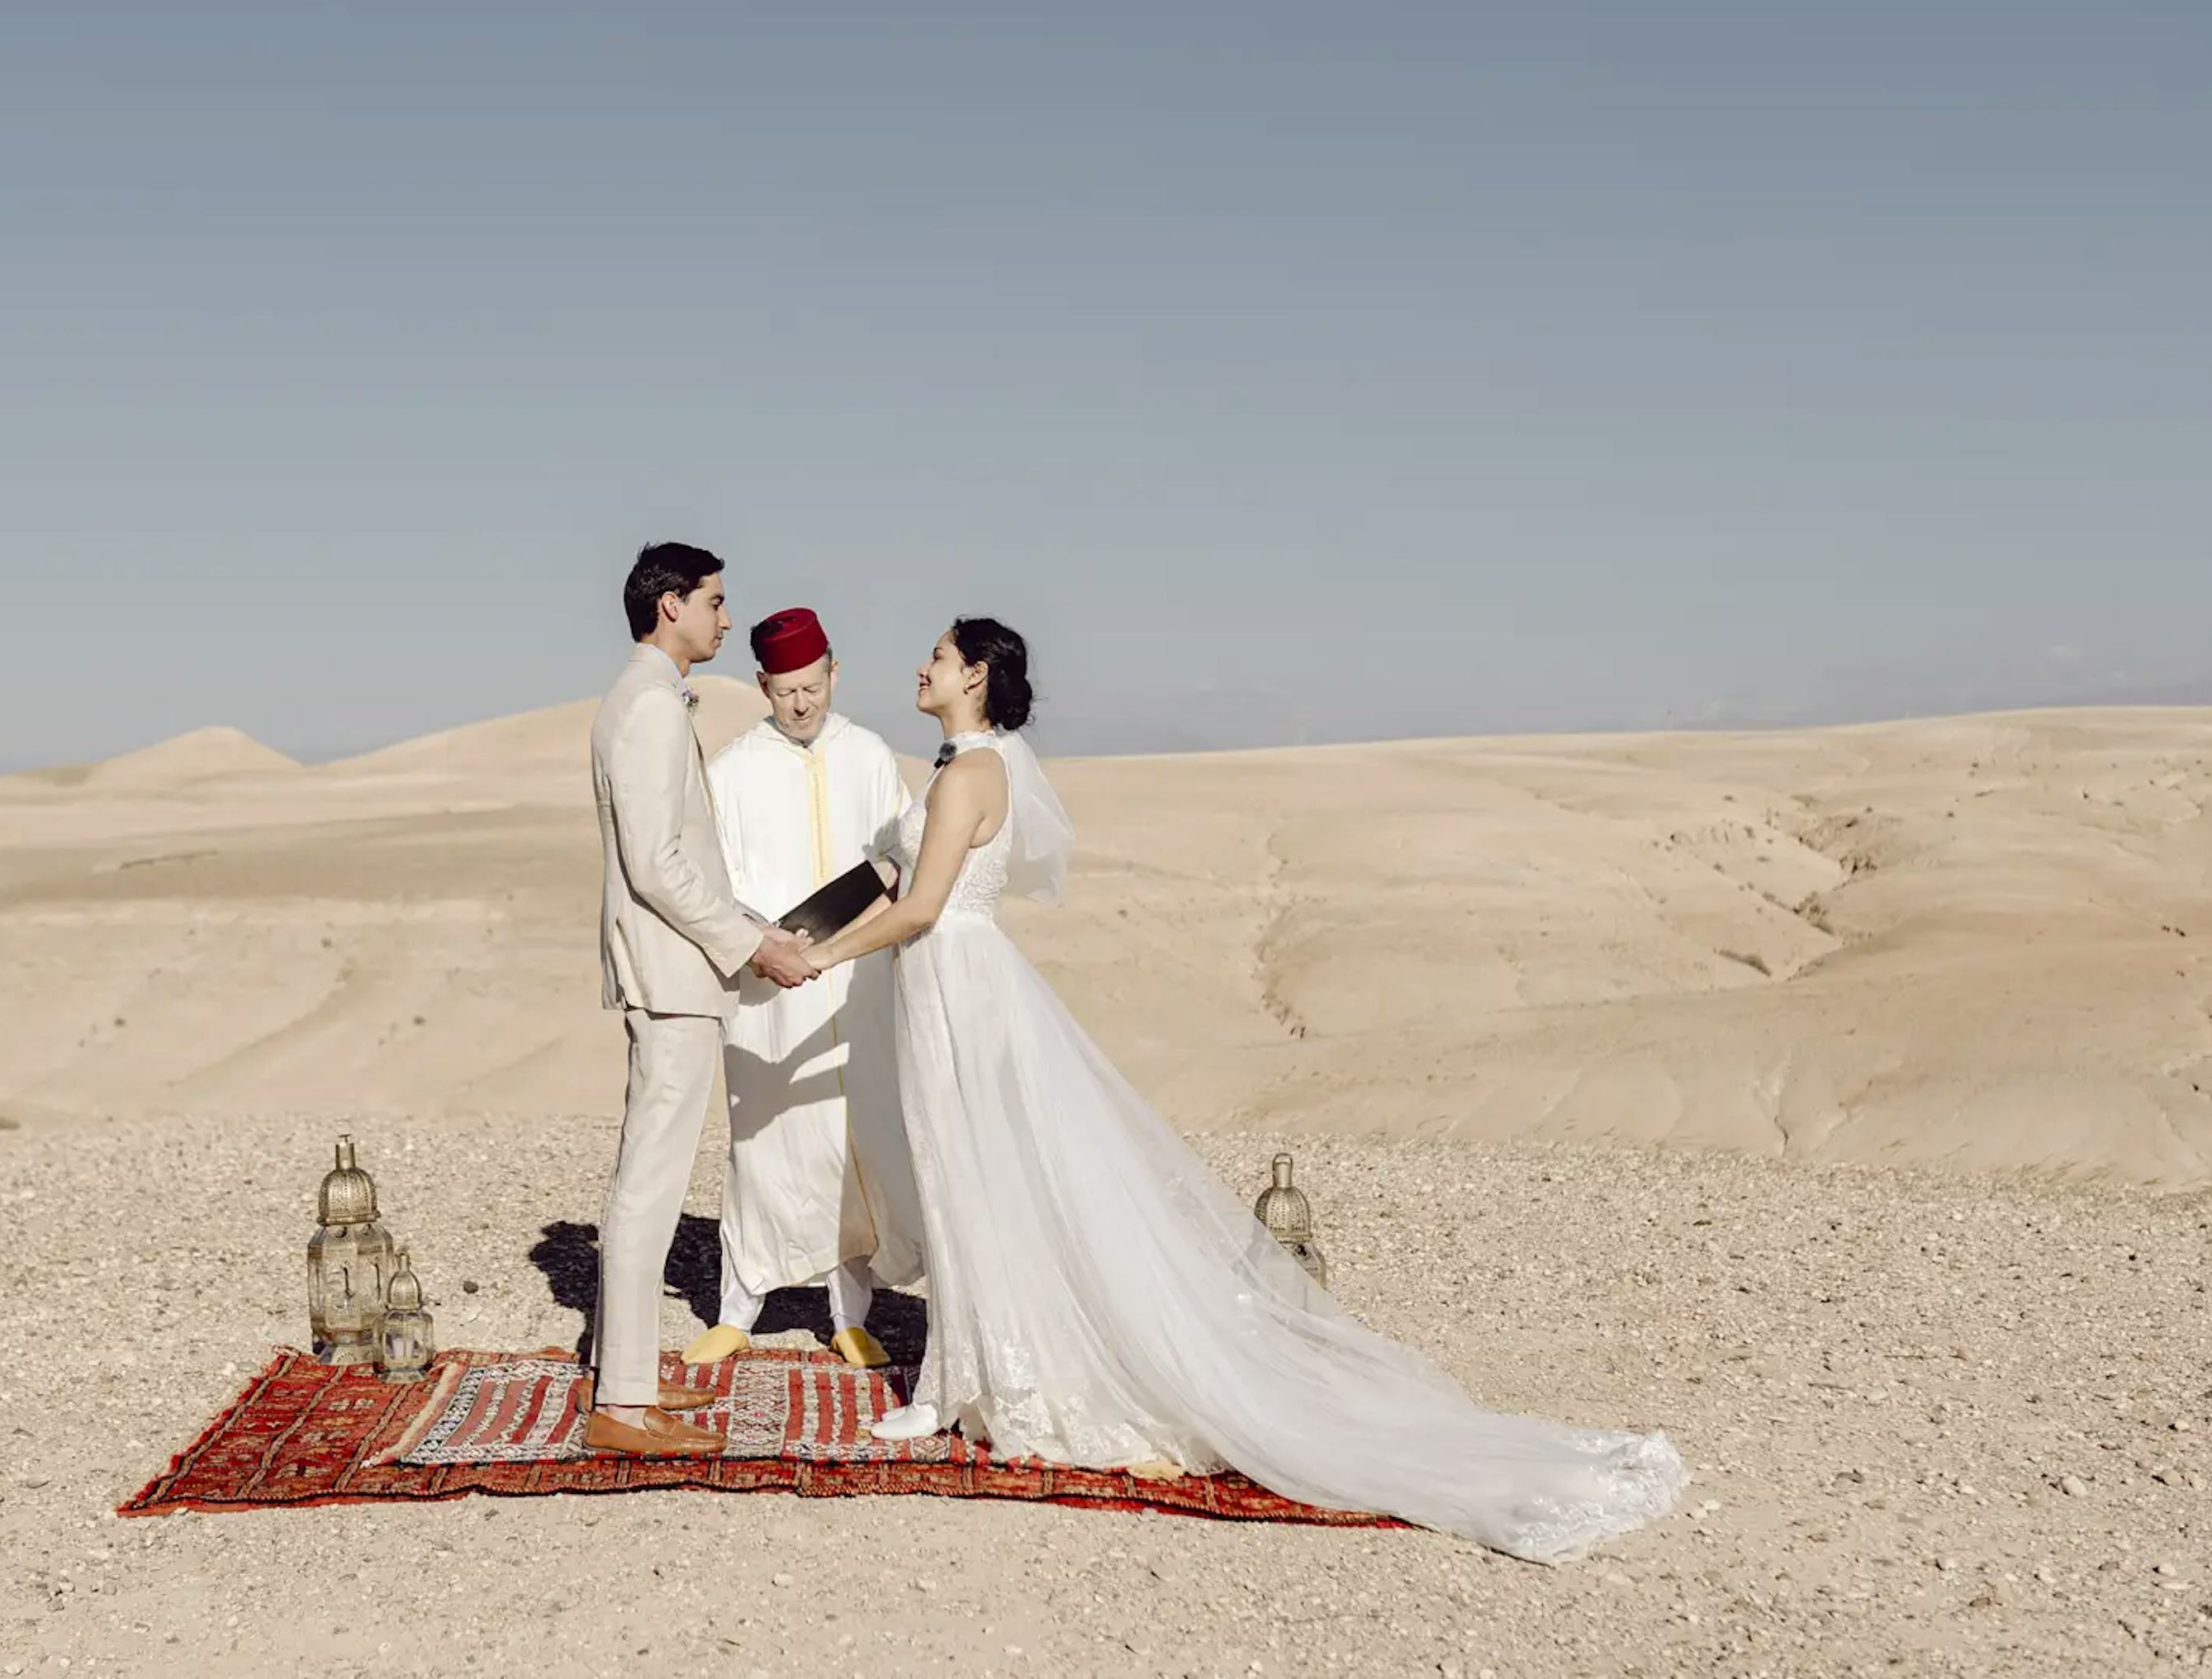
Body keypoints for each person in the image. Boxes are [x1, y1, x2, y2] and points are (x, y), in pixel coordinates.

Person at [800, 617, 1688, 1561]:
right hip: (946, 984)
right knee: (965, 1174)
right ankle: (969, 1369)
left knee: (973, 1173)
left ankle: (960, 1386)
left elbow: (926, 906)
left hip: (959, 984)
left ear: (975, 675)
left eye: (937, 656)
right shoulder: (962, 769)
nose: (921, 667)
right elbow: (901, 881)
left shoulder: (972, 773)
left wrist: (815, 958)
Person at [582, 542, 819, 1458]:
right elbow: (657, 865)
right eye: (716, 602)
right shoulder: (645, 706)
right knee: (648, 1183)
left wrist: (759, 931)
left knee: (653, 1176)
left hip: (686, 969)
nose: (727, 618)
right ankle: (620, 1405)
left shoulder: (652, 699)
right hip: (673, 976)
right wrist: (751, 942)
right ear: (670, 604)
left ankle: (631, 1383)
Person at [691, 607, 923, 1370]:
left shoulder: (870, 754)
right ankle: (737, 1306)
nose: (801, 702)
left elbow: (897, 856)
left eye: (813, 685)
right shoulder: (729, 770)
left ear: (834, 671)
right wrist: (766, 941)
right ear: (763, 684)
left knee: (852, 1138)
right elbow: (713, 880)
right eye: (786, 689)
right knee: (762, 1142)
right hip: (767, 989)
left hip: (856, 981)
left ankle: (847, 1311)